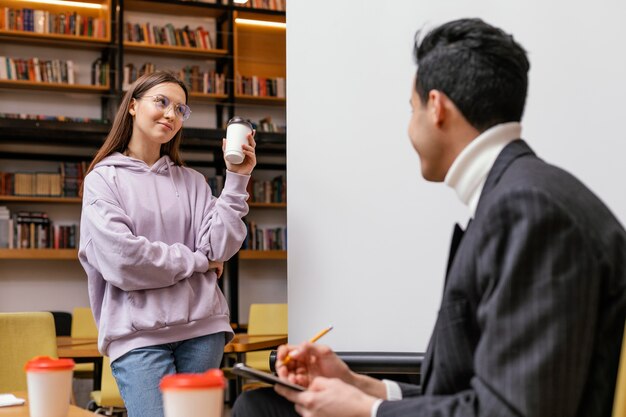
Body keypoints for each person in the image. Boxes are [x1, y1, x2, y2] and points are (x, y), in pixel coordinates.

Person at [232, 17, 626, 417]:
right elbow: (477, 388)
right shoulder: (520, 195)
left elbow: (511, 411)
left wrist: (368, 410)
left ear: (436, 108)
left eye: (412, 108)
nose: (410, 125)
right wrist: (360, 385)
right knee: (260, 404)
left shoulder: (529, 211)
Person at [78, 71, 256, 417]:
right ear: (132, 107)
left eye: (180, 109)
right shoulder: (103, 179)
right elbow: (125, 261)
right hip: (138, 337)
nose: (171, 114)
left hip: (204, 329)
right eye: (161, 102)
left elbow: (219, 248)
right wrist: (199, 262)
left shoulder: (192, 181)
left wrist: (237, 179)